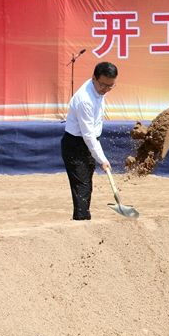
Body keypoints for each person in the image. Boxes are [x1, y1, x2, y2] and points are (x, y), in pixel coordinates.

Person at [61, 61, 118, 220]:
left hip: (89, 141)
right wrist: (102, 159)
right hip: (75, 145)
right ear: (94, 78)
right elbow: (88, 135)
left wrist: (98, 156)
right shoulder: (85, 100)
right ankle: (82, 222)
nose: (106, 89)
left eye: (111, 86)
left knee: (86, 184)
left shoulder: (98, 89)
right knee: (82, 186)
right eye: (103, 85)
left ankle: (83, 219)